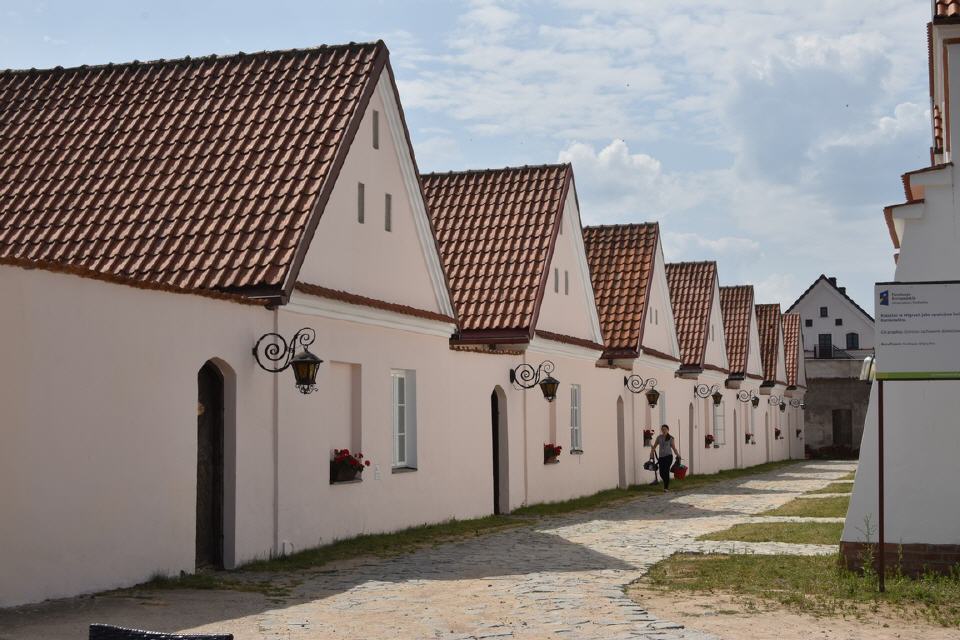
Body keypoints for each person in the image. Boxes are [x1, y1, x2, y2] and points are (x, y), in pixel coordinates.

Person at [649, 424, 680, 492]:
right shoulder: (659, 437)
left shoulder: (671, 438)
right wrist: (651, 453)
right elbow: (654, 446)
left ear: (668, 430)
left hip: (668, 457)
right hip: (661, 457)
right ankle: (666, 482)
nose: (664, 430)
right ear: (661, 430)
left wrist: (678, 455)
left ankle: (666, 487)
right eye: (662, 429)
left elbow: (674, 448)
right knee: (661, 472)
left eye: (665, 429)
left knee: (666, 471)